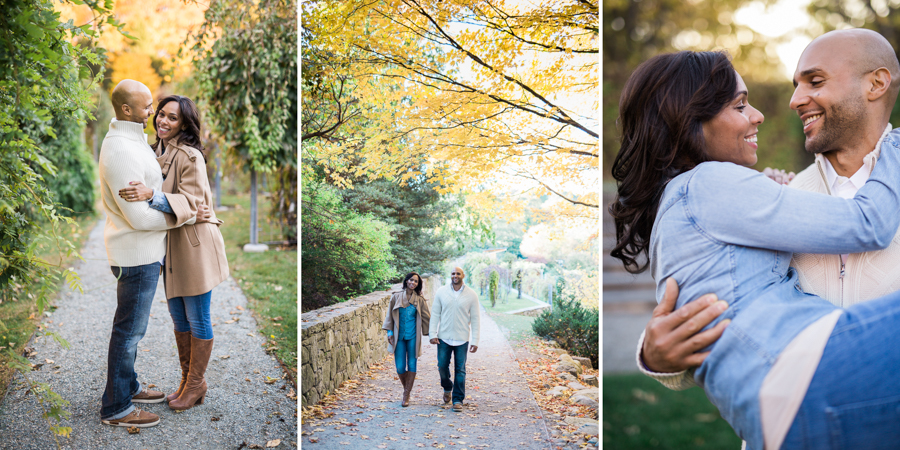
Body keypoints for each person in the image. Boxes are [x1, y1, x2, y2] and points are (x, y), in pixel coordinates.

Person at [610, 48, 900, 450]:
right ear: (689, 119)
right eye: (740, 105)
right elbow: (869, 224)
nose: (760, 114)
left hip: (774, 415)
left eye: (815, 83)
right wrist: (895, 146)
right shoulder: (710, 185)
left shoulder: (687, 203)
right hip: (808, 369)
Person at [97, 80, 209, 427]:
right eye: (151, 108)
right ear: (128, 110)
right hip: (138, 253)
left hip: (161, 253)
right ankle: (116, 408)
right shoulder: (124, 148)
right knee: (129, 331)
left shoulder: (141, 143)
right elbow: (140, 215)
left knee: (139, 328)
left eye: (165, 113)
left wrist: (180, 206)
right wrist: (186, 215)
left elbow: (178, 195)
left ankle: (134, 388)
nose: (155, 115)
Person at [119, 95, 230, 411]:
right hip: (171, 247)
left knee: (197, 316)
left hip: (194, 246)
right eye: (162, 115)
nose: (163, 122)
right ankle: (187, 380)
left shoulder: (190, 156)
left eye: (173, 118)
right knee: (178, 317)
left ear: (185, 124)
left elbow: (194, 204)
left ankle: (195, 384)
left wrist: (152, 195)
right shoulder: (155, 152)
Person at [429, 267, 480, 412]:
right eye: (453, 273)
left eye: (458, 273)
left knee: (460, 370)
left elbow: (476, 319)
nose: (455, 275)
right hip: (443, 338)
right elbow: (435, 314)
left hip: (462, 338)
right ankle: (447, 386)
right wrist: (433, 334)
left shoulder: (471, 295)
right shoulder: (441, 292)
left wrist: (475, 341)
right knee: (442, 366)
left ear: (463, 275)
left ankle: (457, 400)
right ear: (450, 275)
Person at [382, 272, 432, 407]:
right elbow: (389, 316)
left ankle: (406, 395)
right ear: (406, 281)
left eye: (416, 281)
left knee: (412, 364)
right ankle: (407, 390)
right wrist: (390, 332)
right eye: (411, 280)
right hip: (399, 337)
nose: (413, 283)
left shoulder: (420, 300)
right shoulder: (396, 297)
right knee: (399, 367)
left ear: (418, 284)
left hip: (413, 337)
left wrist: (432, 335)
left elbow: (427, 317)